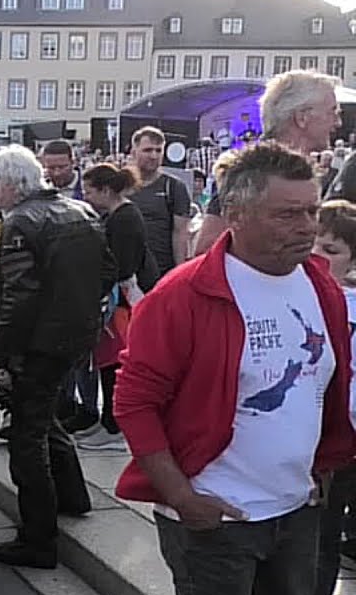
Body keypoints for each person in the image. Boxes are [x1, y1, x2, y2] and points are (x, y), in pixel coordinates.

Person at [114, 142, 354, 595]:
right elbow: (134, 403)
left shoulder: (321, 285)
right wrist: (182, 497)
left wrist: (324, 469)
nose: (307, 227)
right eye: (287, 214)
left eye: (311, 210)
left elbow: (325, 385)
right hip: (216, 518)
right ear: (238, 215)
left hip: (296, 511)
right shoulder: (182, 296)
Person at [0, 145, 112, 569]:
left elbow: (17, 297)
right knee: (45, 416)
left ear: (8, 184)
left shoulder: (21, 222)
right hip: (76, 335)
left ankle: (38, 539)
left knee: (26, 435)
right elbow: (107, 271)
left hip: (39, 341)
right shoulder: (81, 212)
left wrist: (3, 355)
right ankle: (73, 496)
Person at [197, 70, 341, 253]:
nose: (338, 122)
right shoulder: (248, 169)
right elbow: (207, 248)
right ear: (302, 117)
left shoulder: (306, 170)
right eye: (333, 112)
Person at [74, 163, 158, 452]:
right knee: (108, 363)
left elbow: (121, 265)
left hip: (122, 303)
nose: (85, 197)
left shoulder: (123, 219)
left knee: (113, 364)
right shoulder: (122, 215)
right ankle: (109, 420)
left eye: (89, 191)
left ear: (105, 190)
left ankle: (114, 426)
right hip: (121, 300)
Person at [308, 199, 356, 595]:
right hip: (298, 434)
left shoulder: (348, 304)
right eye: (314, 247)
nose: (320, 260)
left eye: (332, 250)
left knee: (323, 538)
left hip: (338, 439)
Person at [128, 126, 191, 276]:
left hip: (161, 271)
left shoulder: (174, 187)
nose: (154, 156)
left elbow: (180, 233)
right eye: (147, 150)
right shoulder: (120, 185)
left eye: (158, 150)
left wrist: (179, 273)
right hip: (126, 272)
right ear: (133, 152)